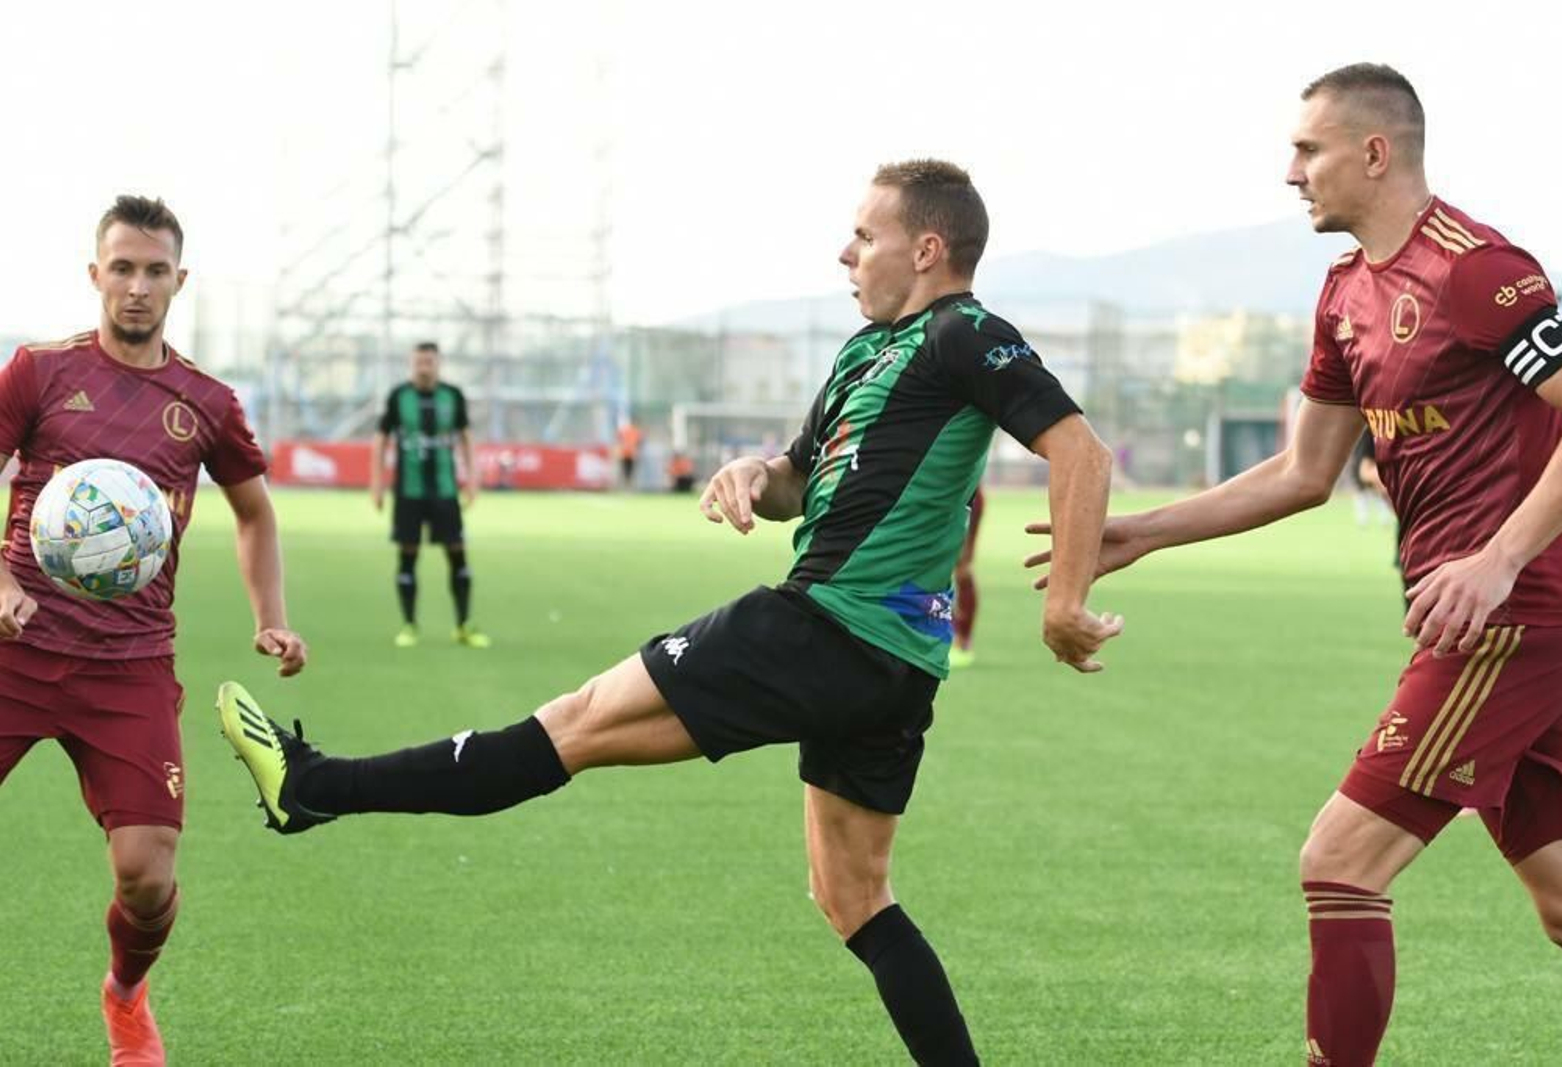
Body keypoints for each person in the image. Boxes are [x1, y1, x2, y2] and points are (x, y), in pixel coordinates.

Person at [218, 159, 1122, 1064]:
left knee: (568, 725)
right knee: (854, 897)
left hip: (823, 628)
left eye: (865, 235)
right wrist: (753, 473)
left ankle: (313, 786)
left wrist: (1066, 602)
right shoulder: (864, 352)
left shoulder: (964, 332)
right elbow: (798, 482)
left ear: (927, 249)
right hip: (889, 669)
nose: (845, 251)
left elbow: (1080, 453)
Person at [1029, 64, 1562, 1066]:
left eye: (1308, 149)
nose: (1290, 172)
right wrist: (1144, 531)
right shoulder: (1344, 293)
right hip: (1473, 620)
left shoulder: (1474, 268)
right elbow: (1303, 472)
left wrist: (1499, 559)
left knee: (1338, 863)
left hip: (1507, 621)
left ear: (1373, 153)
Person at [0, 195, 308, 1065]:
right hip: (15, 650)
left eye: (154, 271)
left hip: (127, 666)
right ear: (94, 274)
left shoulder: (205, 402)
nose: (137, 287)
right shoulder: (38, 371)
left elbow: (254, 512)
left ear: (180, 280)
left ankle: (126, 995)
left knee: (146, 875)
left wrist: (272, 619)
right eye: (122, 268)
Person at [370, 342, 489, 649]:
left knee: (457, 553)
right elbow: (382, 438)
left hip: (445, 490)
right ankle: (409, 625)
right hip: (408, 492)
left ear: (438, 363)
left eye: (429, 361)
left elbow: (465, 437)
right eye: (419, 361)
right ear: (412, 364)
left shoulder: (453, 396)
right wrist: (377, 482)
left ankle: (463, 625)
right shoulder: (399, 396)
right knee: (408, 555)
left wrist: (472, 479)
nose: (424, 367)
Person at [948, 486, 984, 669]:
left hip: (965, 497)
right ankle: (950, 635)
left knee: (963, 568)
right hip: (935, 500)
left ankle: (963, 640)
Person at [616, 418, 643, 489]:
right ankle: (628, 486)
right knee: (629, 472)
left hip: (626, 454)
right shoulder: (636, 431)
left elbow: (619, 439)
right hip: (630, 454)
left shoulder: (625, 430)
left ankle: (626, 486)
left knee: (626, 472)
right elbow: (639, 442)